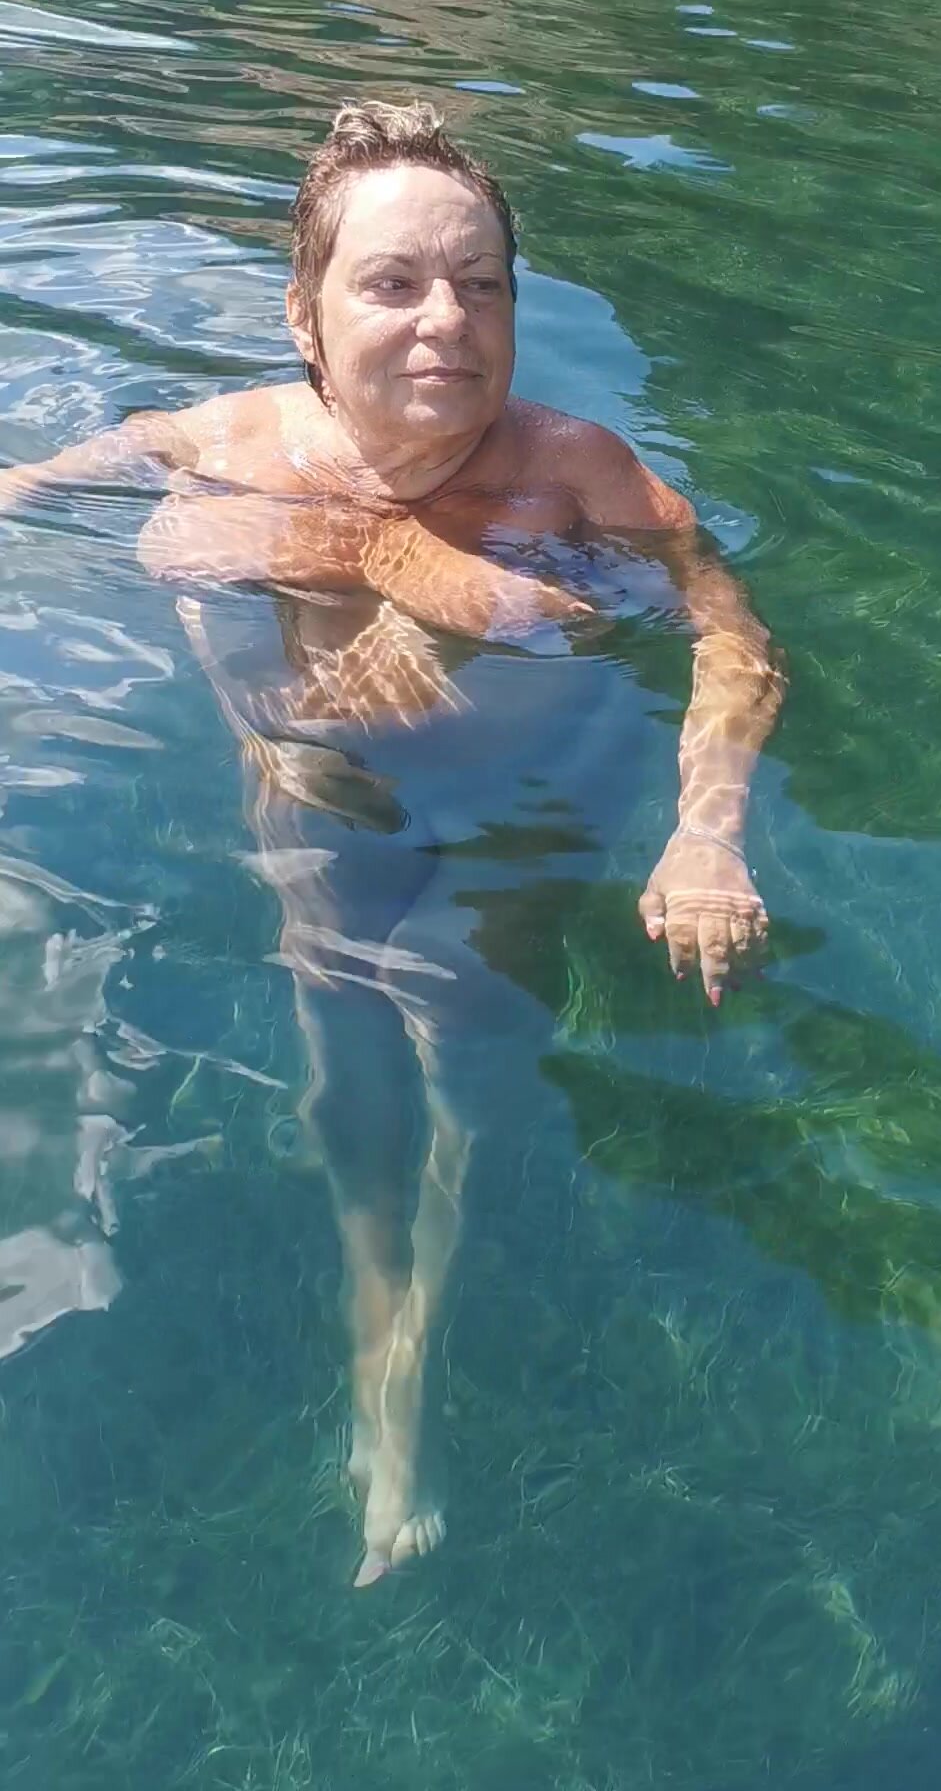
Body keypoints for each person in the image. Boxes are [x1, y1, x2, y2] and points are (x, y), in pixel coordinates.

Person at [0, 100, 784, 1584]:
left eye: (482, 284)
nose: (447, 321)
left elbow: (734, 639)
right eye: (395, 282)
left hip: (515, 815)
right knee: (344, 1057)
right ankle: (378, 1348)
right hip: (318, 800)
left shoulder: (582, 478)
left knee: (465, 1061)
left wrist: (707, 835)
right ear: (304, 316)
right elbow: (80, 474)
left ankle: (416, 1370)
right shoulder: (232, 441)